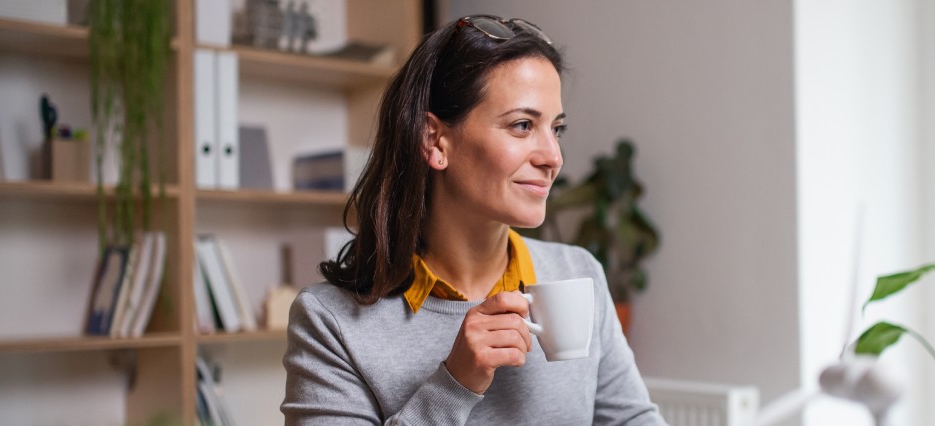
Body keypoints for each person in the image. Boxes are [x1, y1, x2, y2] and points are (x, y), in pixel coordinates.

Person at [281, 15, 666, 425]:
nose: (553, 156)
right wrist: (454, 383)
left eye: (556, 129)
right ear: (434, 140)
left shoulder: (577, 272)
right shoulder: (330, 321)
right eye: (522, 125)